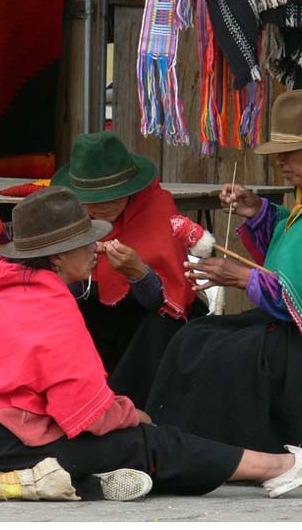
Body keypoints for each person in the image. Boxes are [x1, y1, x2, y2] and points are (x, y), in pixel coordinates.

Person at [0, 186, 302, 501]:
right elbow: (87, 416)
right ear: (57, 257)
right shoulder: (47, 303)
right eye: (85, 242)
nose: (96, 248)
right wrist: (132, 415)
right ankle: (277, 468)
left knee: (132, 437)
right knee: (150, 440)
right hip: (7, 443)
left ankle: (91, 481)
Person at [146, 89, 302, 454]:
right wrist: (258, 210)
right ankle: (181, 446)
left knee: (234, 353)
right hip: (298, 322)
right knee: (194, 336)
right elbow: (299, 249)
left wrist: (243, 278)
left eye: (289, 152)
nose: (280, 161)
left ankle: (234, 453)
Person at [50, 131, 203, 407]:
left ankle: (123, 412)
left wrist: (138, 274)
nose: (102, 207)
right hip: (95, 318)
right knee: (66, 318)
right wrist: (76, 272)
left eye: (113, 196)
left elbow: (168, 301)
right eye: (92, 199)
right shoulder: (69, 213)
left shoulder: (156, 207)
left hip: (145, 321)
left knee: (160, 327)